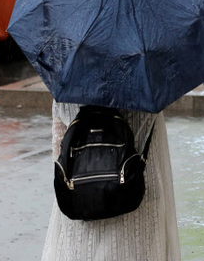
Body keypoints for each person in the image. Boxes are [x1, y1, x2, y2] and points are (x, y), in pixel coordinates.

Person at [41, 102, 181, 261]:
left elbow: (59, 141)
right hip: (133, 192)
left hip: (80, 190)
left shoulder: (68, 81)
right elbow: (154, 140)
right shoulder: (146, 84)